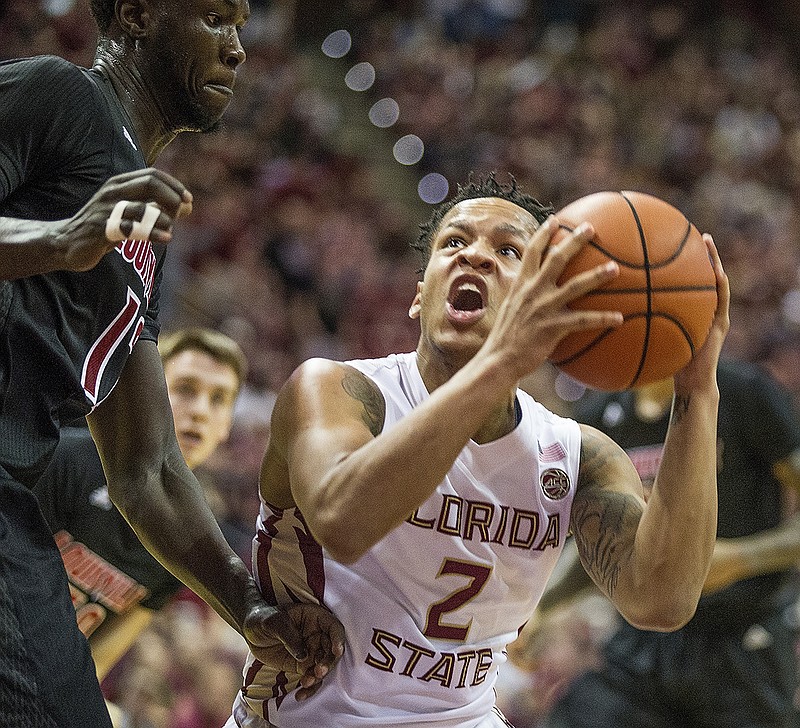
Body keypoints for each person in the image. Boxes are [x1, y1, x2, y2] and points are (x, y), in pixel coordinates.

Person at [224, 174, 730, 727]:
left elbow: (661, 600)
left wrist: (699, 394)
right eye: (454, 243)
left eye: (509, 250)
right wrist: (504, 361)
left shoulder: (576, 455)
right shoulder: (337, 392)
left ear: (552, 296)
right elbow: (343, 522)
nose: (476, 258)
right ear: (420, 294)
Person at [0, 2, 342, 726]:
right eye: (217, 18)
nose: (238, 49)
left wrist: (246, 605)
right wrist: (58, 240)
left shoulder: (143, 240)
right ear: (139, 15)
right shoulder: (59, 95)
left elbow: (148, 467)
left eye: (243, 27)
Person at [510, 363, 800, 728]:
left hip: (741, 636)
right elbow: (602, 545)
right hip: (643, 639)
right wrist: (543, 604)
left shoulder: (743, 391)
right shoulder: (600, 418)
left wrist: (740, 558)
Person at [33, 327, 248, 680]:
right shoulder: (65, 458)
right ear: (146, 393)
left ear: (226, 426)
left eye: (219, 399)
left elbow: (97, 661)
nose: (200, 411)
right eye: (185, 389)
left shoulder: (190, 540)